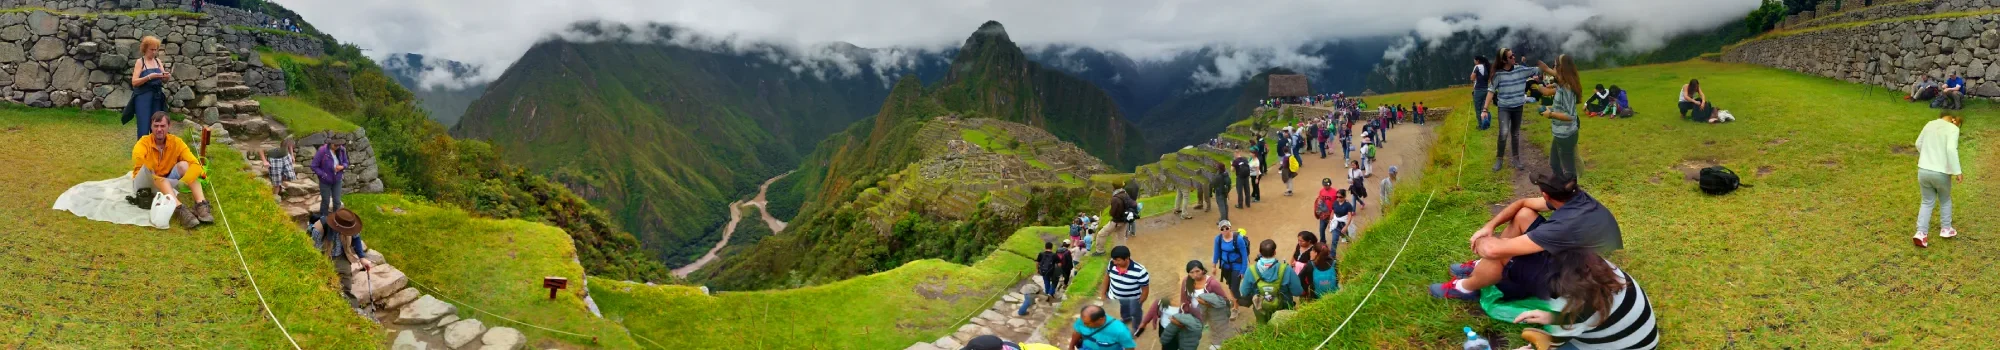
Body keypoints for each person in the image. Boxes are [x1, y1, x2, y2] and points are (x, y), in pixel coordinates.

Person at [1432, 173, 1622, 302]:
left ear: (1546, 194)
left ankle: (1465, 288)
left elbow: (1493, 249)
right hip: (1578, 257)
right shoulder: (1574, 197)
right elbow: (1522, 203)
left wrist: (1481, 240)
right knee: (1524, 214)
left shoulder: (1563, 225)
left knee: (1501, 254)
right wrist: (1489, 227)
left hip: (1572, 281)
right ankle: (1483, 267)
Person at [1498, 251, 1660, 350]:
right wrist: (1549, 317)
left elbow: (1572, 324)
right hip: (1638, 340)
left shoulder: (1579, 312)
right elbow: (1579, 317)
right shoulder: (1598, 269)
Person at [132, 112, 212, 227]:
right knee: (154, 174)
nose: (159, 129)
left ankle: (201, 204)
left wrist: (187, 178)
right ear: (151, 126)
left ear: (169, 126)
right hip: (144, 182)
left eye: (162, 126)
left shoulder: (176, 142)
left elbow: (194, 162)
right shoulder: (144, 142)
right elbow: (138, 158)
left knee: (185, 165)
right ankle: (180, 209)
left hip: (165, 180)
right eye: (156, 126)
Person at [1913, 111, 1964, 248]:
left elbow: (1918, 143)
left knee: (1927, 202)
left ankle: (1921, 233)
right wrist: (1957, 171)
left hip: (1923, 170)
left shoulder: (1930, 124)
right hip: (1941, 172)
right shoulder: (1953, 129)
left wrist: (1927, 156)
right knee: (1945, 199)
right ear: (1953, 119)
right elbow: (1951, 149)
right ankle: (1946, 228)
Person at [1487, 48, 1536, 172]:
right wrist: (1484, 109)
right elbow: (1491, 91)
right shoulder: (1498, 74)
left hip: (1518, 107)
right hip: (1504, 107)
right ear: (1504, 60)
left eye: (1514, 55)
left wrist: (1555, 70)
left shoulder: (1520, 69)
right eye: (1510, 57)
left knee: (1515, 133)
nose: (1514, 57)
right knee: (1503, 132)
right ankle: (1499, 159)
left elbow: (1536, 69)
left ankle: (1516, 159)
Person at [1537, 55, 1583, 179]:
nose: (1554, 68)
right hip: (1560, 133)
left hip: (1566, 135)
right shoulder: (1561, 85)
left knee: (1569, 170)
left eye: (1556, 65)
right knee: (1554, 163)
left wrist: (1551, 114)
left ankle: (1571, 190)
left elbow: (1570, 116)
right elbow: (1560, 107)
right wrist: (1550, 109)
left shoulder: (1567, 89)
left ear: (1562, 68)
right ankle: (1559, 185)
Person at [1239, 239, 1301, 323]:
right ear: (1275, 252)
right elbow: (1297, 292)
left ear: (1260, 252)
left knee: (1263, 329)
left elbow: (1244, 292)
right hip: (1284, 310)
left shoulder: (1251, 270)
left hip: (1261, 309)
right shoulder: (1286, 269)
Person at [122, 36, 171, 139]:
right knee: (144, 126)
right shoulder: (140, 62)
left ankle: (155, 149)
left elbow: (163, 80)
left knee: (157, 125)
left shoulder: (158, 61)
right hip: (143, 98)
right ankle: (142, 151)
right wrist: (149, 77)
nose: (154, 52)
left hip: (157, 97)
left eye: (155, 49)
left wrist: (166, 77)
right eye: (151, 49)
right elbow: (134, 82)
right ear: (145, 49)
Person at [1098, 246, 1151, 332]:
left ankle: (1136, 328)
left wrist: (1139, 303)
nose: (1115, 262)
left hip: (1134, 299)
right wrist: (1103, 294)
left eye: (1118, 260)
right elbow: (1107, 278)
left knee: (1136, 313)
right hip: (1117, 298)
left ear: (1127, 259)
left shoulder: (1140, 271)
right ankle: (1126, 318)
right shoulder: (1112, 264)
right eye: (1114, 259)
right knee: (1124, 310)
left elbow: (1145, 290)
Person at [311, 134, 350, 229]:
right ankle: (323, 221)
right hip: (325, 181)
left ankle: (336, 219)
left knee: (337, 201)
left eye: (339, 145)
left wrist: (342, 167)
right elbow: (314, 166)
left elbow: (346, 162)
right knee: (326, 201)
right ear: (330, 143)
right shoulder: (322, 151)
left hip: (337, 179)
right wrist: (323, 175)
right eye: (335, 145)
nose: (337, 147)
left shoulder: (342, 150)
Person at [1212, 221, 1250, 311]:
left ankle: (1237, 306)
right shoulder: (1218, 239)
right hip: (1226, 266)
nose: (1225, 230)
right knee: (1230, 286)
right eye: (1222, 228)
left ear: (1230, 227)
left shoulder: (1238, 239)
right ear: (1219, 230)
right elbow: (1216, 252)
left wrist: (1243, 270)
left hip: (1237, 266)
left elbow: (1244, 256)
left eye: (1227, 228)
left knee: (1234, 287)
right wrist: (1214, 266)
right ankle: (1235, 301)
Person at [1068, 305, 1138, 350]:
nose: (1083, 324)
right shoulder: (1083, 320)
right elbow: (1077, 332)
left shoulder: (1120, 331)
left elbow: (1129, 347)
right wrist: (1071, 346)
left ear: (1100, 319)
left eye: (1087, 323)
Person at [326, 208, 373, 272]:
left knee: (346, 277)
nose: (349, 232)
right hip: (323, 256)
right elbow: (314, 250)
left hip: (340, 255)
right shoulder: (319, 229)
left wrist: (362, 257)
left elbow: (356, 238)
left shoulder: (351, 227)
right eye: (347, 230)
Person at [1290, 231, 1326, 300]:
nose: (1299, 242)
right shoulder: (1298, 245)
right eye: (1298, 240)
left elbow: (1312, 263)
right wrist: (1291, 263)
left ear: (1309, 242)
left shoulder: (1313, 250)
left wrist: (1298, 264)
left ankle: (1305, 297)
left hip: (1306, 274)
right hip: (1296, 270)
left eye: (1302, 241)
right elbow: (1294, 254)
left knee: (1304, 286)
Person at [1313, 178, 1341, 244]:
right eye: (1324, 185)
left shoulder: (1335, 192)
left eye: (1327, 185)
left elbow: (1339, 201)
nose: (1326, 186)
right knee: (1322, 229)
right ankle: (1323, 241)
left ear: (1330, 184)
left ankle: (1345, 236)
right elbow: (1319, 201)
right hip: (1324, 213)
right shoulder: (1321, 191)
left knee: (1338, 227)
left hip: (1333, 213)